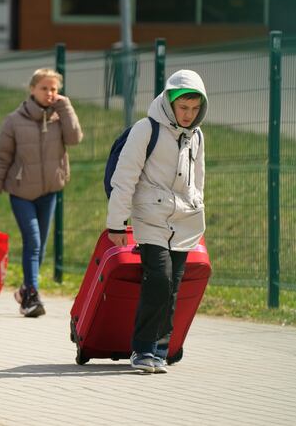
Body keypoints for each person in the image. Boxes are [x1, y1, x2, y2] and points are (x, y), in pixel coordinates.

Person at [106, 69, 207, 374]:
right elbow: (124, 178)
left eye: (194, 109)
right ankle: (143, 349)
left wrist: (197, 210)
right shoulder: (145, 129)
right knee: (159, 280)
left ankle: (161, 350)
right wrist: (116, 223)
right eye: (183, 108)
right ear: (169, 102)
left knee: (173, 285)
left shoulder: (197, 135)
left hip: (184, 222)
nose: (188, 115)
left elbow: (197, 181)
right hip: (150, 218)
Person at [0, 68, 82, 317]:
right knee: (34, 242)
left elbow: (74, 138)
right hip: (21, 192)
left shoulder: (59, 116)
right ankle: (32, 297)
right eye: (44, 88)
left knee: (38, 246)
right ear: (32, 89)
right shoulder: (13, 120)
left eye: (54, 89)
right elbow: (3, 156)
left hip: (49, 191)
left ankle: (26, 290)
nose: (50, 93)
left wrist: (66, 107)